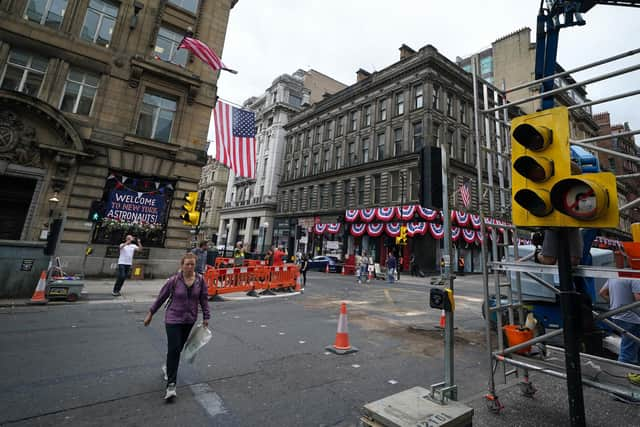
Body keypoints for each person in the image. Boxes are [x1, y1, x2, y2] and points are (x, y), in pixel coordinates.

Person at [143, 253, 210, 401]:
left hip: (189, 319)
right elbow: (161, 298)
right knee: (174, 348)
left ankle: (168, 366)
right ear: (182, 265)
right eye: (187, 264)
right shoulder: (173, 281)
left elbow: (204, 299)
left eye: (192, 264)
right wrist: (150, 313)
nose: (190, 267)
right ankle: (171, 385)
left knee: (178, 348)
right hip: (173, 318)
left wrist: (206, 316)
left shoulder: (200, 281)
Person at [599, 278, 640, 366]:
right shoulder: (635, 278)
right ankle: (623, 371)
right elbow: (638, 299)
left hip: (616, 316)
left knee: (632, 345)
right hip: (631, 318)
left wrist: (616, 304)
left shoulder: (614, 276)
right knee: (628, 350)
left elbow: (602, 293)